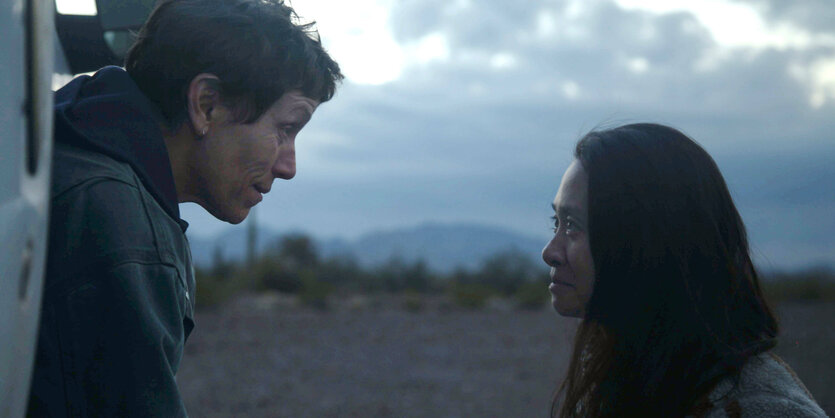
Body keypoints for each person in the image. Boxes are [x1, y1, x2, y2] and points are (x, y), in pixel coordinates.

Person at [27, 0, 342, 415]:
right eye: (285, 129)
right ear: (206, 104)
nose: (289, 166)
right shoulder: (122, 231)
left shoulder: (60, 145)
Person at [541, 123, 827, 417]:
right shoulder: (622, 372)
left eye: (573, 225)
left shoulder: (760, 409)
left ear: (645, 240)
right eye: (556, 223)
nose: (549, 252)